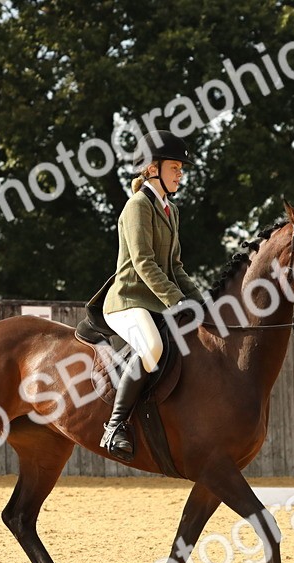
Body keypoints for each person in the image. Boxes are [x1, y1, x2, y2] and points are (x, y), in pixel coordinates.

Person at [87, 130, 199, 461]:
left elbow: (176, 267)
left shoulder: (171, 211)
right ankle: (115, 426)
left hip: (156, 302)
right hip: (127, 301)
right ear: (152, 169)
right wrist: (176, 301)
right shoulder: (137, 206)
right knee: (152, 346)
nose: (180, 174)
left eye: (181, 169)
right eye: (175, 167)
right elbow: (143, 262)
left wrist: (203, 302)